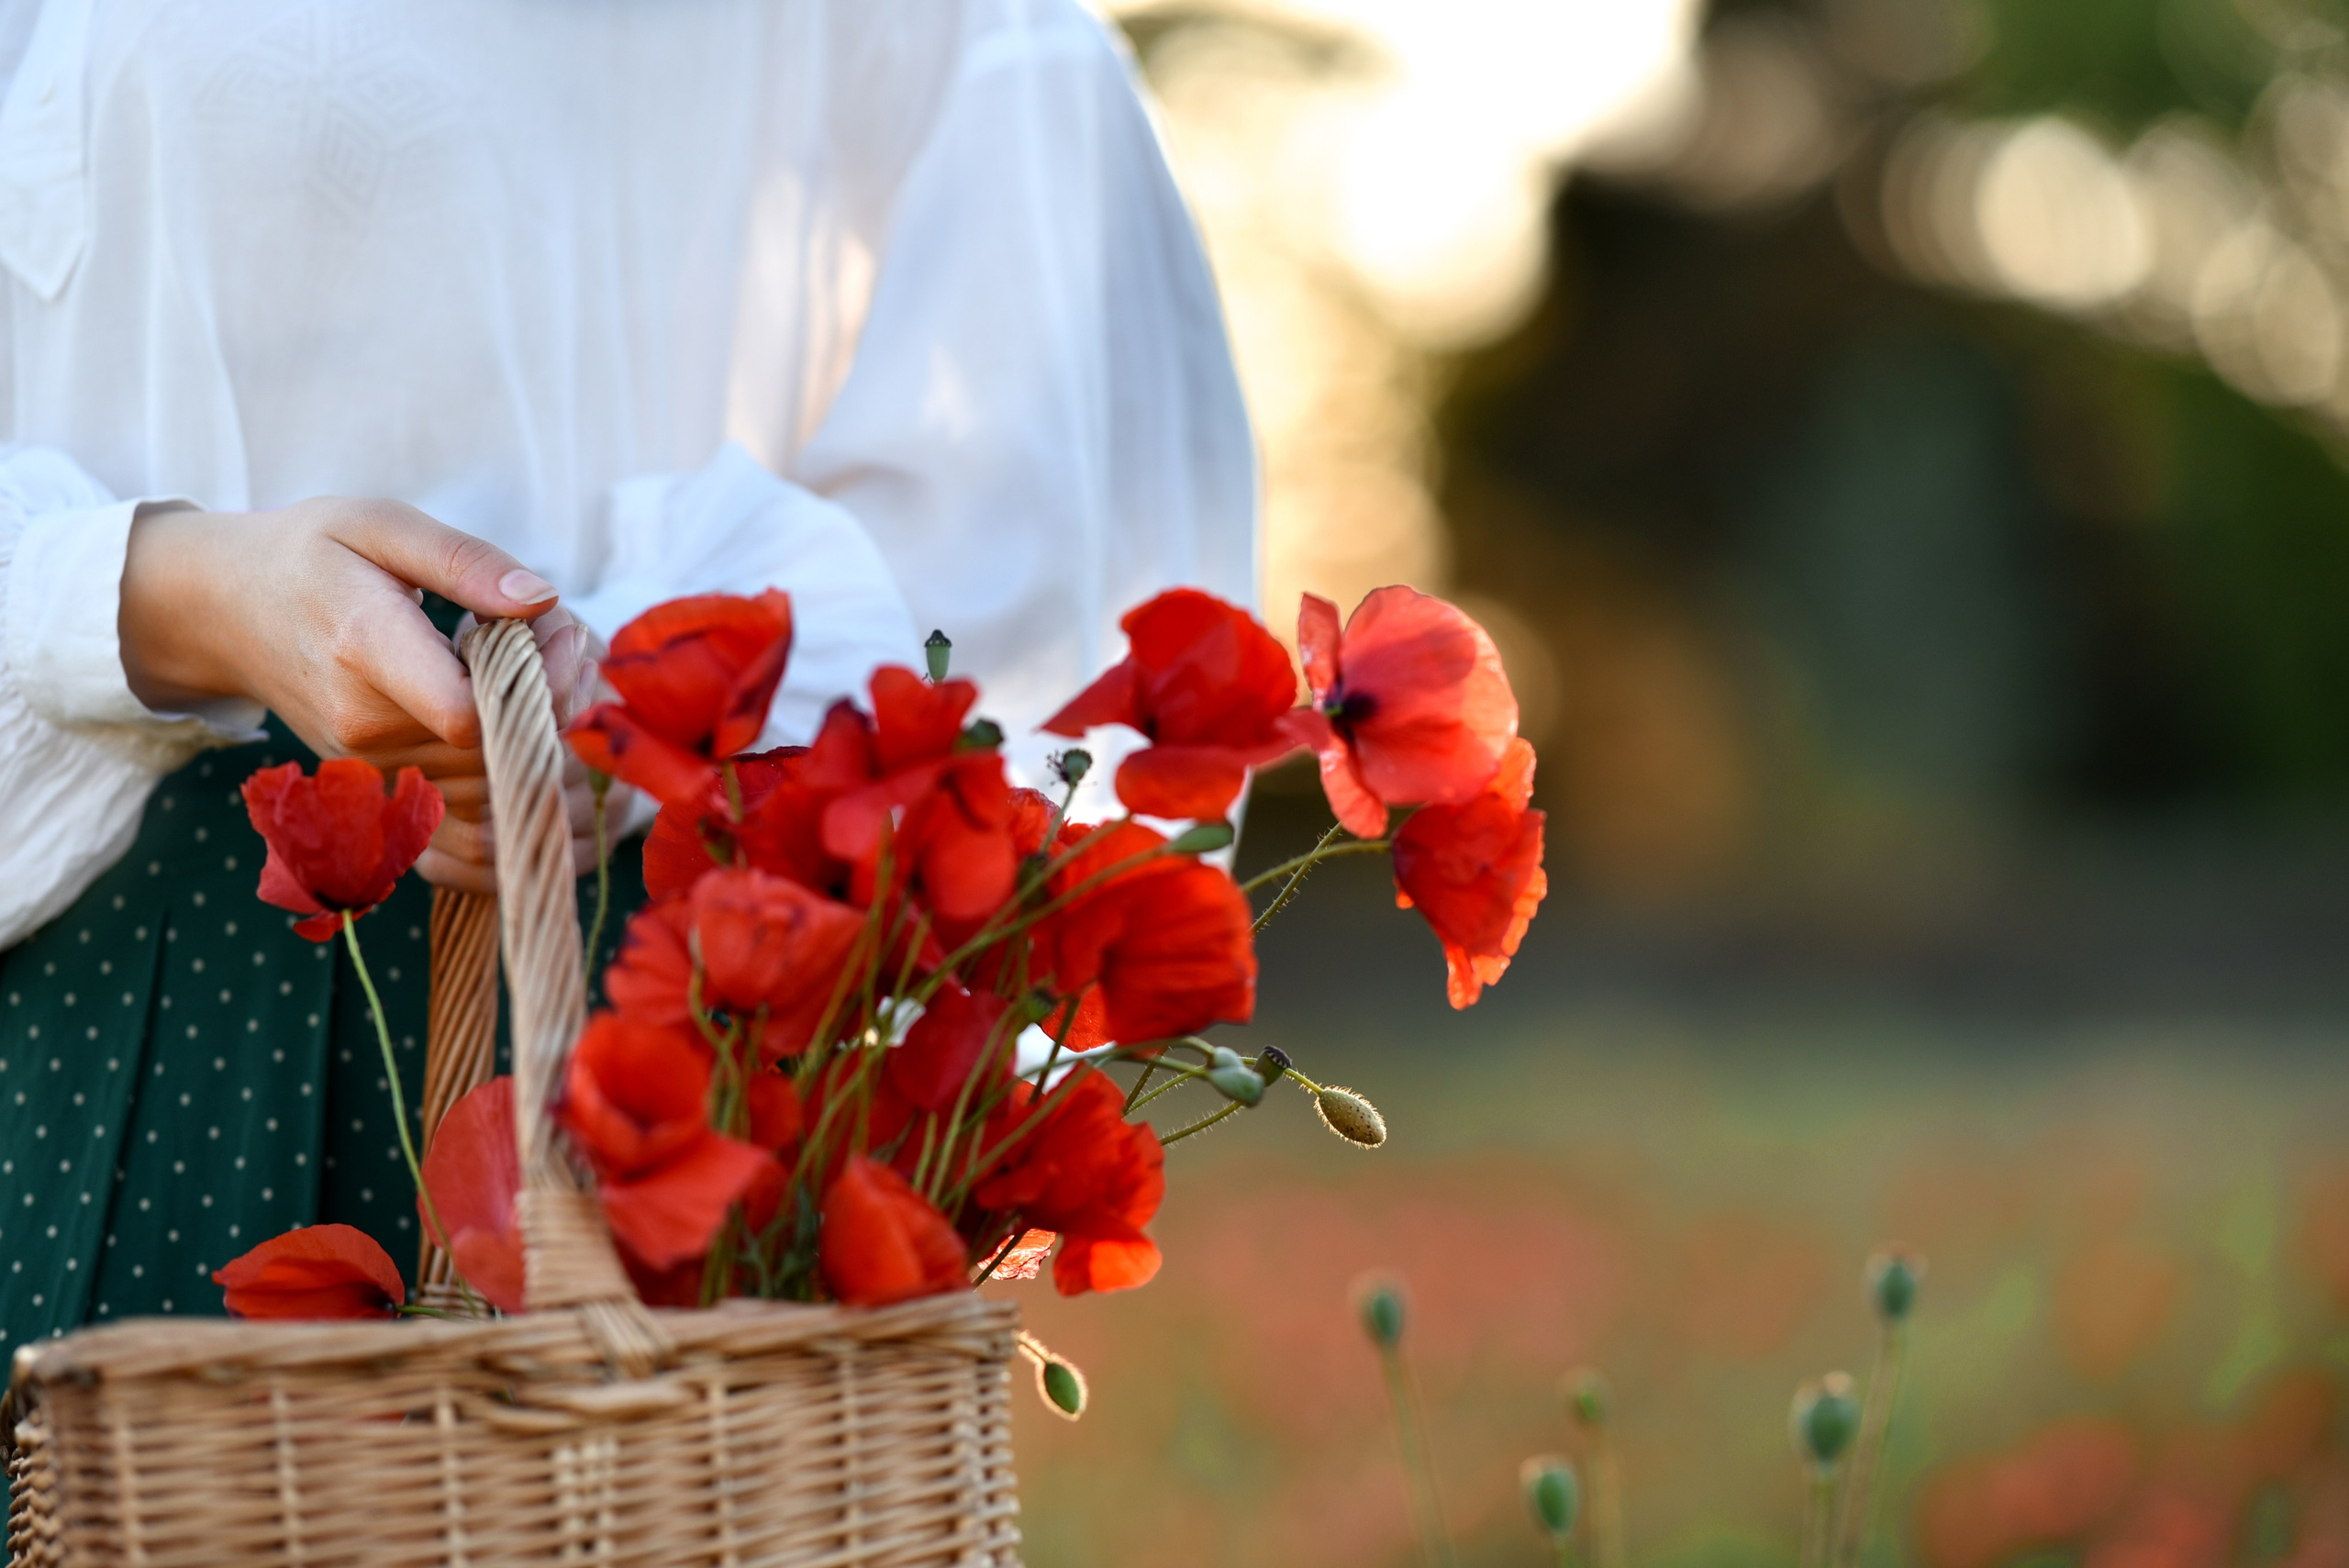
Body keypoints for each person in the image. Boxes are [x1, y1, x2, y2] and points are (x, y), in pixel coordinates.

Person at [0, 1, 1253, 1352]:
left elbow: (1035, 494)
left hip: (645, 1001)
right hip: (109, 997)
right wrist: (162, 592)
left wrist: (656, 711)